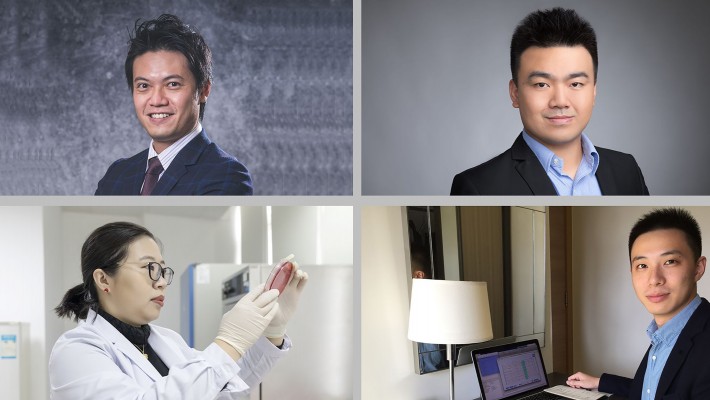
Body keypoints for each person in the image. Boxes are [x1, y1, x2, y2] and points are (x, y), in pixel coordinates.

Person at [49, 222, 308, 399]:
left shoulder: (167, 341)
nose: (161, 281)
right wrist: (228, 343)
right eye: (149, 268)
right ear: (104, 280)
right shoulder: (75, 350)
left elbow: (221, 389)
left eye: (162, 270)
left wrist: (273, 330)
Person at [450, 7, 649, 196]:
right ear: (515, 93)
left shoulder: (626, 169)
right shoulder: (478, 187)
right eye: (542, 85)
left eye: (576, 84)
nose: (560, 102)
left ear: (594, 91)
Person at [95, 14, 253, 196]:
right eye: (144, 86)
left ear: (203, 90)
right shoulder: (117, 174)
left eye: (172, 84)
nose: (157, 100)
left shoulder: (226, 175)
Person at [567, 208, 710, 398]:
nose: (654, 279)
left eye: (670, 261)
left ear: (698, 268)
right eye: (642, 266)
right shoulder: (664, 335)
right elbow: (656, 389)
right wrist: (600, 382)